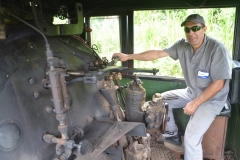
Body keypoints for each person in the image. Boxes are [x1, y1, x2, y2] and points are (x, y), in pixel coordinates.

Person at [112, 14, 232, 160]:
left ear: (204, 29)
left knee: (191, 138)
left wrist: (195, 103)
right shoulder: (182, 46)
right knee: (161, 101)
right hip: (192, 92)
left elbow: (219, 83)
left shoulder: (217, 49)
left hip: (212, 99)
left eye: (195, 28)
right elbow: (156, 54)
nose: (191, 33)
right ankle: (171, 134)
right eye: (187, 30)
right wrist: (128, 56)